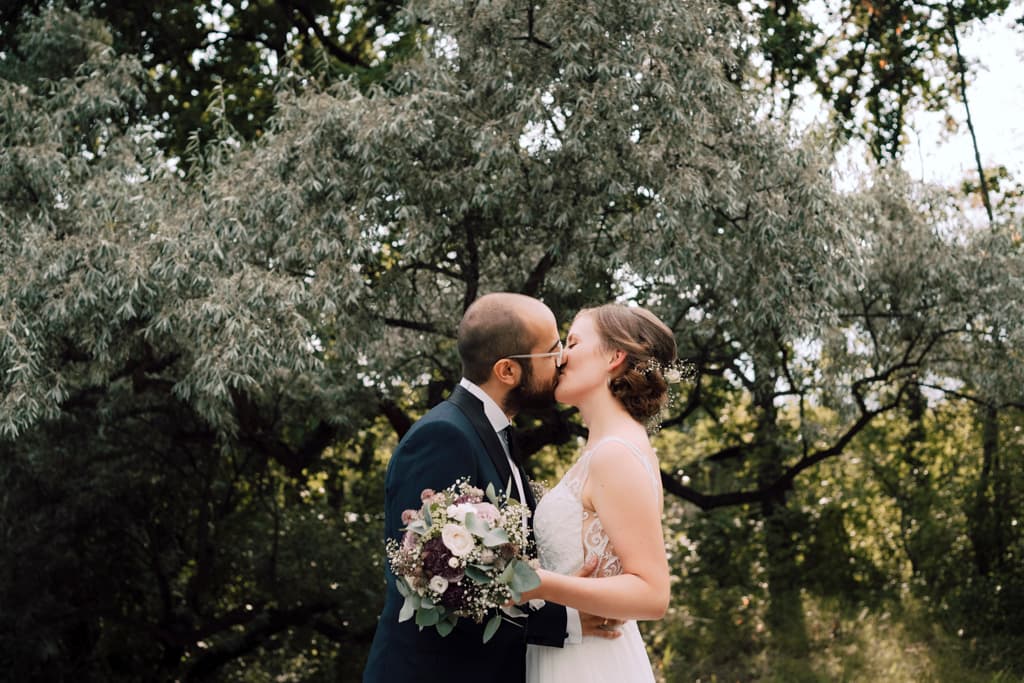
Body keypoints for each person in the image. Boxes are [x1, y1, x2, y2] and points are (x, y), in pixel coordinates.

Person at [363, 293, 619, 683]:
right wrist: (563, 619)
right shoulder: (443, 437)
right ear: (508, 372)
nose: (562, 358)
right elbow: (438, 585)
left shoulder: (495, 433)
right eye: (552, 350)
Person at [523, 303, 676, 683]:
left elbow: (652, 593)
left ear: (614, 356)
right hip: (569, 652)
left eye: (572, 343)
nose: (560, 357)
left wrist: (537, 583)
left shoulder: (615, 454)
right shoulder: (604, 449)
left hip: (592, 665)